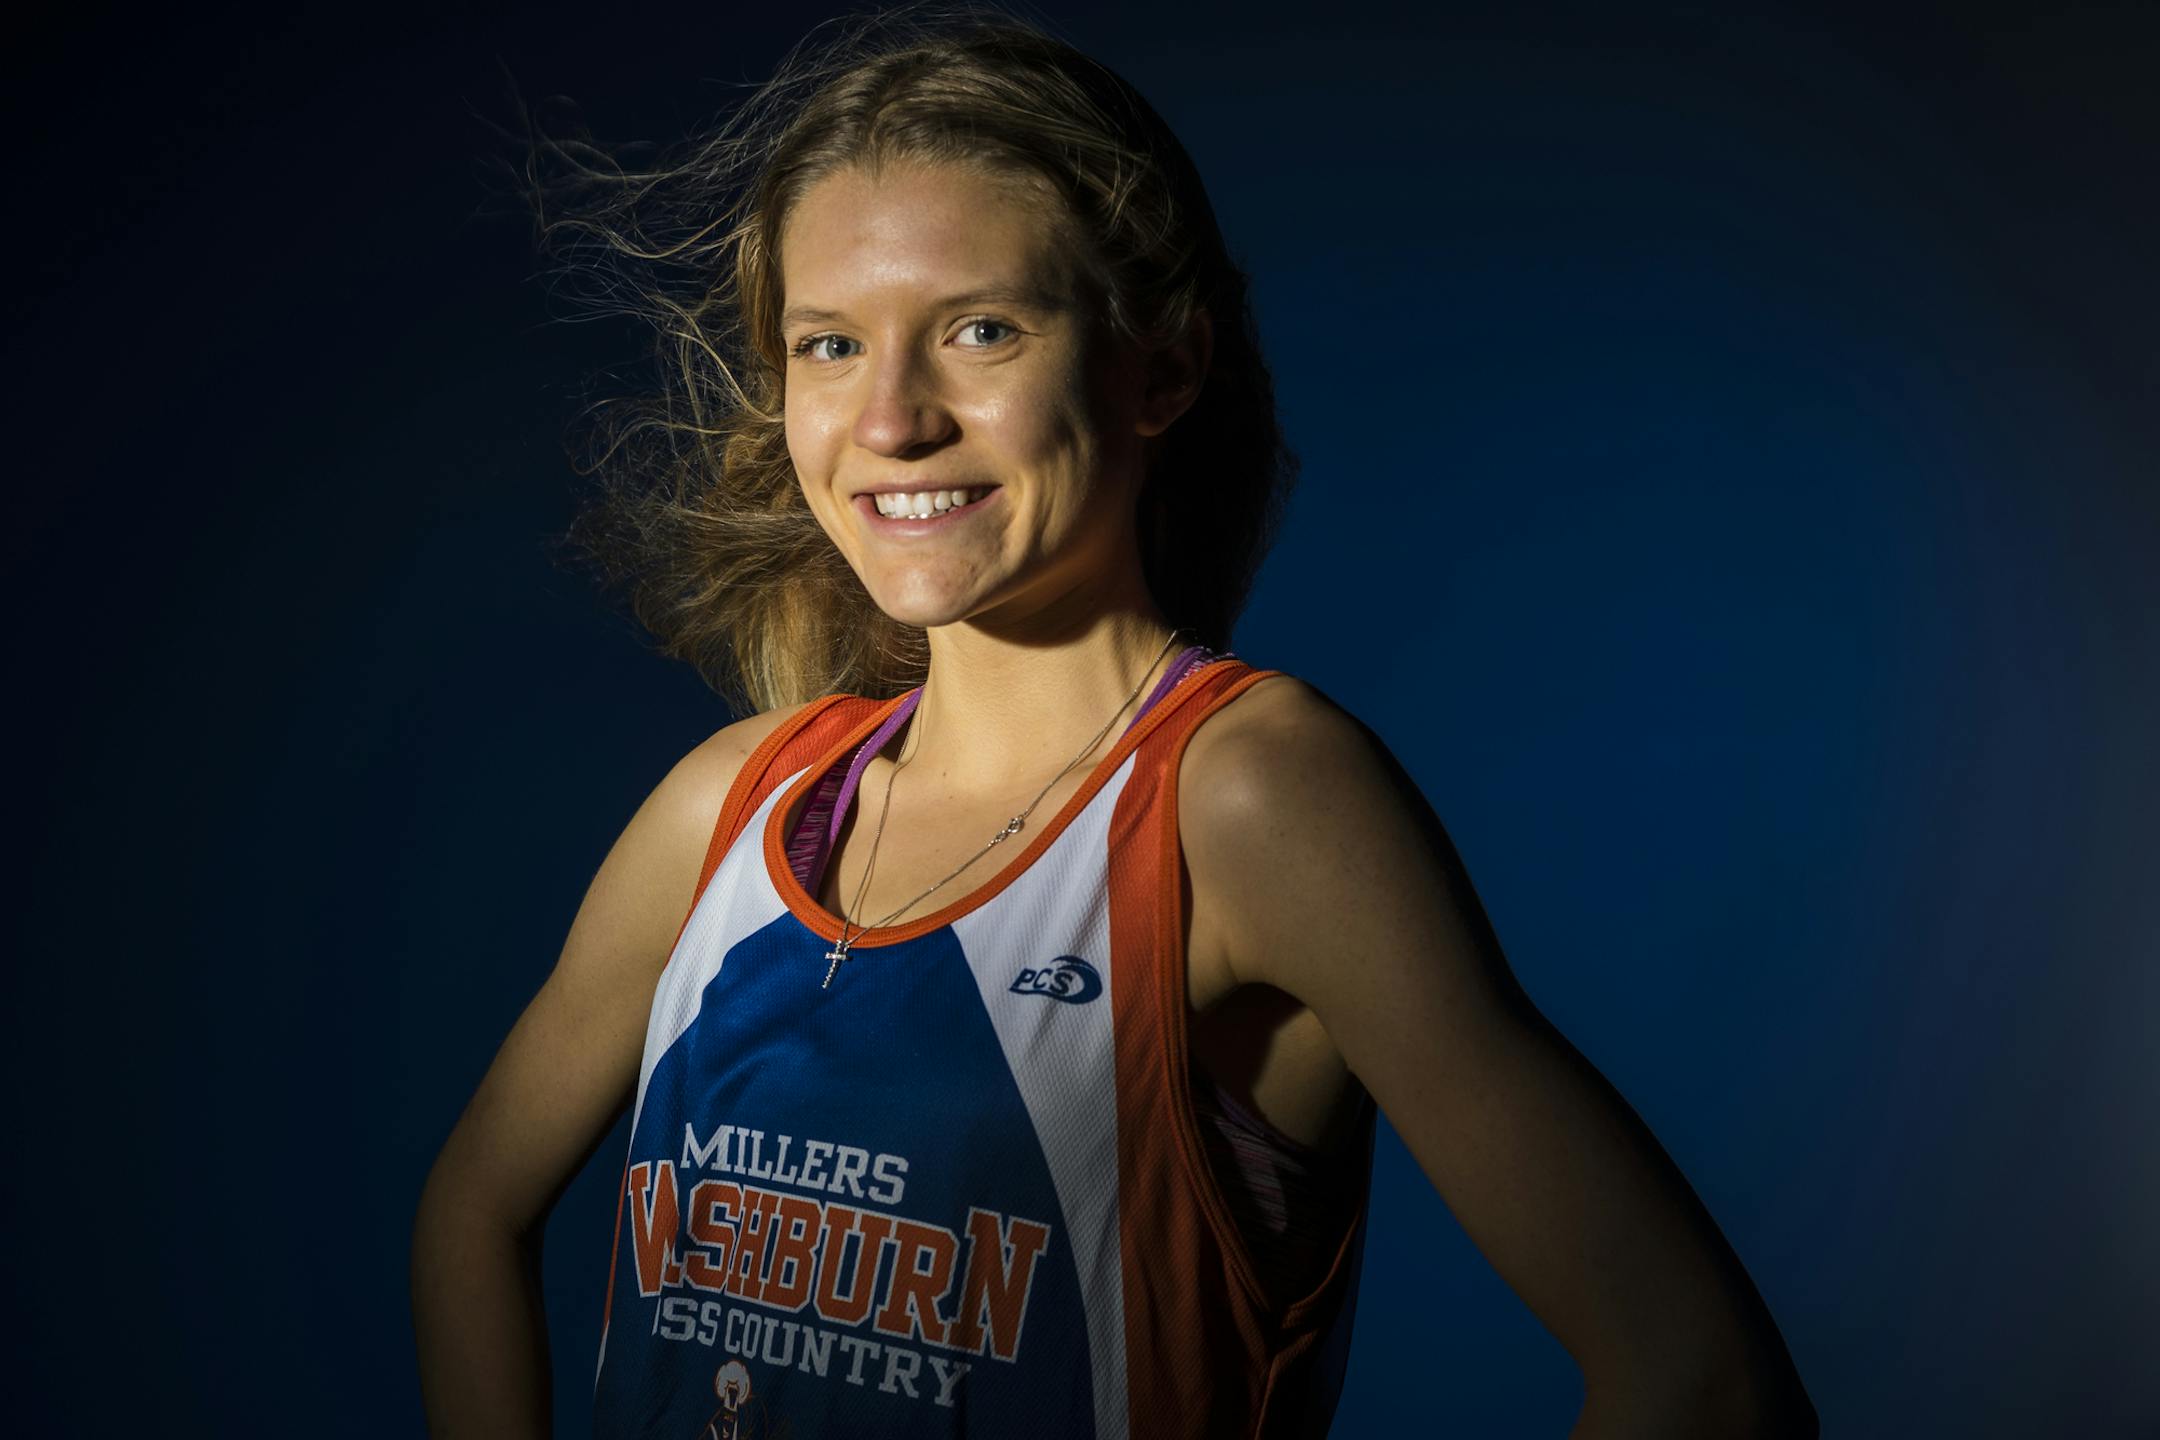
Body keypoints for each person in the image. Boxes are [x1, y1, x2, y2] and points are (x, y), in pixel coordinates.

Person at [410, 6, 1819, 1437]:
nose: (892, 420)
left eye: (981, 330)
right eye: (830, 344)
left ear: (1164, 369)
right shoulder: (727, 809)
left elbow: (1699, 1376)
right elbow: (472, 1209)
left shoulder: (1249, 798)